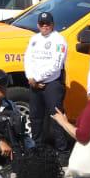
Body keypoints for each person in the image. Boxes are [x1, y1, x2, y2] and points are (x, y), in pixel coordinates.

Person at [24, 10, 69, 152]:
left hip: (52, 83)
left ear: (52, 24)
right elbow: (28, 59)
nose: (45, 26)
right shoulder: (34, 39)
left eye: (47, 24)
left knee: (56, 118)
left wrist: (36, 79)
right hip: (34, 83)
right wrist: (30, 77)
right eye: (42, 24)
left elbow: (56, 66)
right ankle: (37, 148)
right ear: (38, 25)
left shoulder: (59, 40)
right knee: (35, 117)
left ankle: (62, 150)